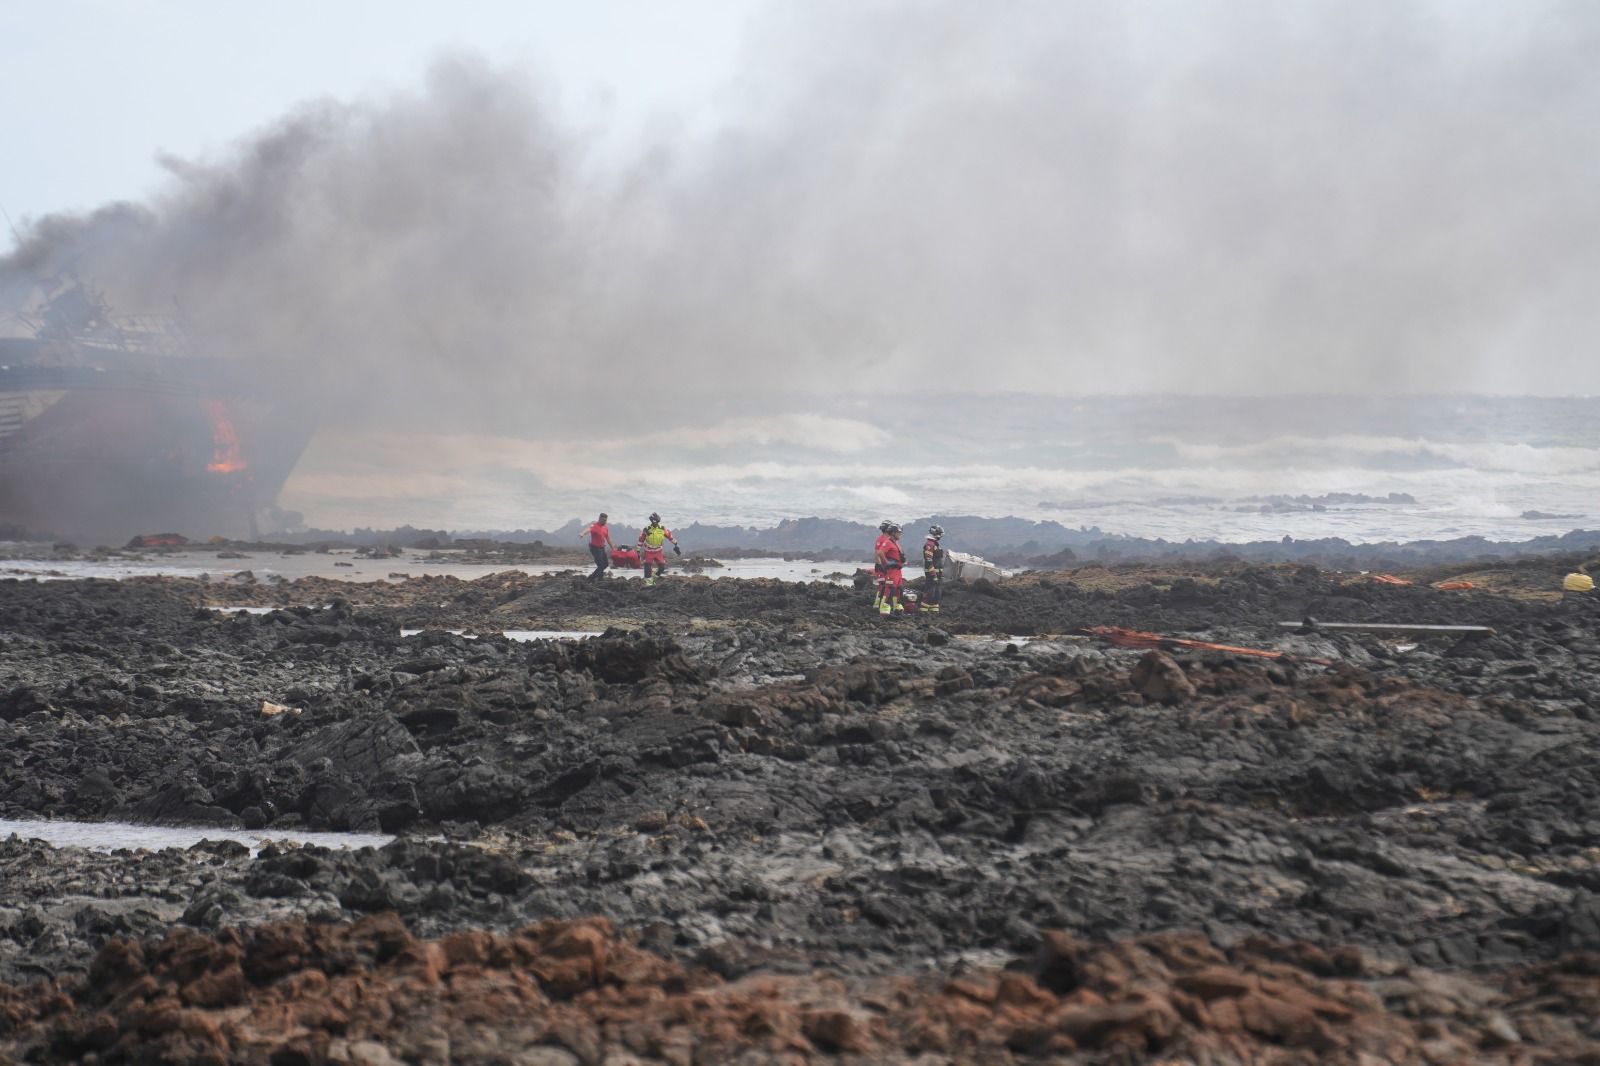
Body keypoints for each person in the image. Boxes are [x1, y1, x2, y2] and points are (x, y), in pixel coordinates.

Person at [638, 512, 681, 586]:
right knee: (647, 567)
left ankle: (654, 577)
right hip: (648, 551)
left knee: (662, 567)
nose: (655, 523)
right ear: (651, 521)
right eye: (654, 521)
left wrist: (675, 543)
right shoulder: (646, 529)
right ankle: (648, 583)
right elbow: (641, 539)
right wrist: (638, 550)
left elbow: (669, 536)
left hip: (658, 551)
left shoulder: (662, 528)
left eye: (657, 521)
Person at [875, 521, 906, 615]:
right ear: (893, 533)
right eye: (898, 533)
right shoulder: (888, 542)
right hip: (892, 571)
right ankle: (884, 610)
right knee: (890, 589)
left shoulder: (896, 543)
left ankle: (897, 608)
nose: (900, 534)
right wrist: (886, 564)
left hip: (898, 571)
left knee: (899, 589)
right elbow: (880, 553)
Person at [921, 524, 946, 613]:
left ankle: (934, 612)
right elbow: (928, 561)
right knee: (930, 592)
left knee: (937, 593)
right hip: (932, 573)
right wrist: (933, 574)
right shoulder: (929, 544)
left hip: (938, 573)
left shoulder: (935, 544)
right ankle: (923, 612)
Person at [583, 513, 614, 581]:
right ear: (599, 519)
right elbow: (588, 529)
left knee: (605, 564)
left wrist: (612, 547)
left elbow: (607, 538)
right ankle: (599, 579)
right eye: (603, 520)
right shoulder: (594, 525)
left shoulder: (605, 527)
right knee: (601, 565)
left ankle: (591, 578)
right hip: (594, 548)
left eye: (606, 520)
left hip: (602, 547)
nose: (605, 522)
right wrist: (583, 533)